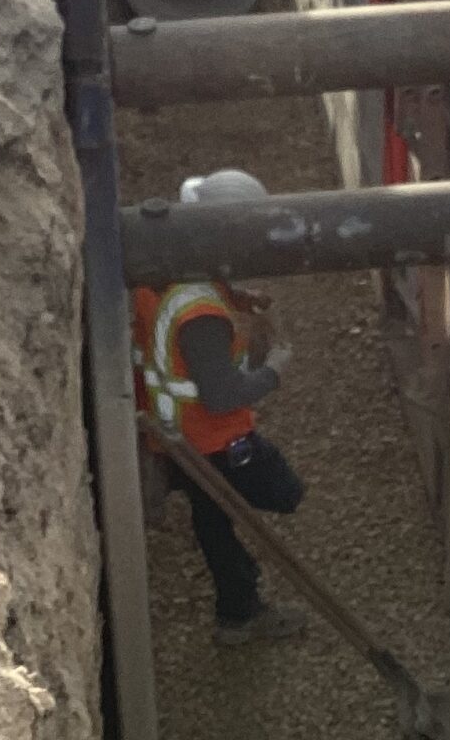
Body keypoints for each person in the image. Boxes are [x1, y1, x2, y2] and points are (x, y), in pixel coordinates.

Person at [133, 168, 311, 646]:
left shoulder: (155, 274)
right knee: (283, 492)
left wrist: (236, 295)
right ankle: (239, 612)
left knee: (212, 519)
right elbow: (222, 394)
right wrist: (274, 369)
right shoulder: (202, 317)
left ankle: (239, 605)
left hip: (174, 437)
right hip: (211, 440)